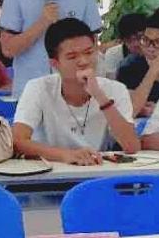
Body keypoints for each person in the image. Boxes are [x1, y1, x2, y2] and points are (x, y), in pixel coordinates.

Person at [12, 18, 140, 165]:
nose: (84, 61)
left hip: (98, 169)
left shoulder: (115, 89)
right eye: (72, 57)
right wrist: (65, 155)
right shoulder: (38, 88)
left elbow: (132, 147)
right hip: (53, 171)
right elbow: (18, 141)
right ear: (55, 63)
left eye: (89, 53)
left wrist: (99, 95)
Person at [99, 12, 148, 79]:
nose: (135, 44)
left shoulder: (155, 51)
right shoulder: (113, 54)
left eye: (139, 38)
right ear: (122, 41)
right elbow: (111, 81)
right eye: (129, 40)